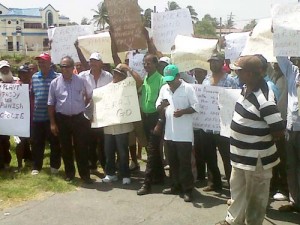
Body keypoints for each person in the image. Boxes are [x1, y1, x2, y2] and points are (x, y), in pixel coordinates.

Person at [216, 55, 285, 225]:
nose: (236, 74)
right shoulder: (245, 89)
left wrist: (256, 140)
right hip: (240, 157)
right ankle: (233, 221)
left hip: (256, 160)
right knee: (237, 192)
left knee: (256, 200)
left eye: (239, 71)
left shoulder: (264, 99)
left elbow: (278, 130)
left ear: (250, 74)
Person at [156, 64, 199, 202]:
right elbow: (157, 106)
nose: (169, 82)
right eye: (167, 79)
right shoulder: (164, 89)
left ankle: (188, 190)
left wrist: (183, 112)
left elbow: (196, 107)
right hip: (169, 133)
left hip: (184, 135)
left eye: (171, 79)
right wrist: (161, 107)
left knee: (184, 164)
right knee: (172, 162)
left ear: (178, 77)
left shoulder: (188, 88)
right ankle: (175, 186)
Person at [48, 56, 92, 184]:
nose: (64, 69)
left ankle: (85, 175)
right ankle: (70, 174)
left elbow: (89, 96)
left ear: (73, 68)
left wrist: (86, 111)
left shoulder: (81, 81)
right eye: (62, 66)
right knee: (66, 148)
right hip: (62, 119)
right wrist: (52, 123)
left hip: (79, 118)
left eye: (67, 66)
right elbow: (50, 104)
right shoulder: (55, 83)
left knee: (82, 147)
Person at [202, 53, 239, 192]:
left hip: (224, 126)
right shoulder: (206, 80)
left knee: (227, 157)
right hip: (208, 126)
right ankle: (214, 183)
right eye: (211, 62)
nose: (213, 64)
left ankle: (232, 186)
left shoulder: (230, 80)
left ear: (222, 62)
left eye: (216, 62)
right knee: (209, 156)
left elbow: (236, 99)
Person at [102, 63, 143, 185]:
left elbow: (139, 82)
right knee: (109, 151)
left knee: (123, 152)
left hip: (123, 126)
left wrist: (128, 68)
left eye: (120, 74)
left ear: (124, 76)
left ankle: (125, 174)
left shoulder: (128, 86)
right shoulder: (107, 88)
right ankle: (110, 174)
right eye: (115, 73)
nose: (116, 75)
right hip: (109, 126)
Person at [79, 52, 113, 173]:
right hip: (89, 113)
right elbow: (80, 93)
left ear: (101, 63)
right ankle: (92, 165)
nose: (92, 63)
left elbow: (111, 92)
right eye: (91, 61)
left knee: (103, 141)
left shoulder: (108, 76)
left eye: (95, 61)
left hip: (103, 113)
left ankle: (105, 166)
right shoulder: (83, 76)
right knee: (90, 141)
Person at [137, 54, 166, 195]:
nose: (146, 66)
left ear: (156, 64)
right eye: (145, 63)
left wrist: (160, 122)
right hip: (146, 117)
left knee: (152, 149)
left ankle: (146, 184)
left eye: (149, 63)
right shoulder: (146, 79)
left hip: (156, 118)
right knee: (151, 150)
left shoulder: (161, 80)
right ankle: (160, 176)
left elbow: (164, 103)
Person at [276, 56, 300, 213]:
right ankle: (295, 202)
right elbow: (281, 56)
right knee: (291, 166)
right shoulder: (292, 71)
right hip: (291, 128)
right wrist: (278, 32)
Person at [31, 53, 61, 175]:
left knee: (54, 142)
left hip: (52, 117)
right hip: (37, 117)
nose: (41, 64)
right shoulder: (34, 77)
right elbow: (33, 94)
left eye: (43, 62)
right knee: (37, 143)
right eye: (39, 62)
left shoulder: (57, 77)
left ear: (49, 63)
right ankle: (36, 167)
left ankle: (54, 166)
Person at [15, 64, 33, 170]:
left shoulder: (33, 85)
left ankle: (33, 162)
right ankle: (19, 165)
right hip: (20, 118)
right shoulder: (15, 86)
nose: (23, 75)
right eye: (21, 73)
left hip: (32, 117)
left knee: (33, 141)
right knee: (20, 142)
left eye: (25, 73)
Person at [0, 60, 14, 170]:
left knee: (6, 141)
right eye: (2, 68)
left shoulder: (16, 82)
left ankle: (6, 162)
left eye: (6, 68)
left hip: (12, 117)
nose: (5, 70)